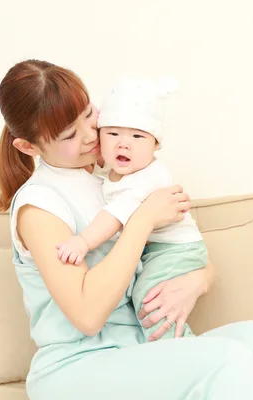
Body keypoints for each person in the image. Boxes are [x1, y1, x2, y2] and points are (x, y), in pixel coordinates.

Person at [0, 59, 253, 400]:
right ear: (28, 147)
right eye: (69, 135)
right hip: (77, 367)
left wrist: (199, 281)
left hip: (139, 345)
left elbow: (179, 245)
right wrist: (142, 219)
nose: (89, 135)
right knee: (228, 360)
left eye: (88, 114)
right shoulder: (39, 205)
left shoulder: (115, 176)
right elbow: (87, 315)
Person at [55, 76, 207, 342]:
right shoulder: (110, 172)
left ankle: (180, 348)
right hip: (159, 250)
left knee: (149, 297)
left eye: (137, 136)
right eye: (113, 134)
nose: (123, 144)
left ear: (155, 145)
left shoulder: (145, 178)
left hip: (176, 250)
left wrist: (83, 241)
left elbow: (114, 218)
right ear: (100, 136)